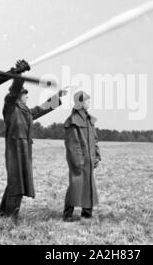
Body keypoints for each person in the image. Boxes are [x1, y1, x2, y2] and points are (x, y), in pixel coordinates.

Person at [0, 63, 67, 222]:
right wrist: (19, 75)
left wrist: (58, 97)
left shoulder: (26, 111)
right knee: (16, 184)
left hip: (24, 151)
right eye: (24, 94)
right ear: (18, 96)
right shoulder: (10, 107)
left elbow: (42, 108)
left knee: (16, 183)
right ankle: (10, 217)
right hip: (14, 151)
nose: (27, 96)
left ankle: (3, 214)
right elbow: (13, 91)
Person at [63, 91, 101, 222]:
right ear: (80, 103)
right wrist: (78, 161)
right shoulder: (73, 121)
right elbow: (72, 144)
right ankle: (67, 215)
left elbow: (95, 140)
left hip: (89, 160)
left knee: (89, 187)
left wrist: (97, 156)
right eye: (87, 100)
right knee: (75, 187)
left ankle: (87, 214)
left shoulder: (89, 119)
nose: (89, 102)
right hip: (79, 161)